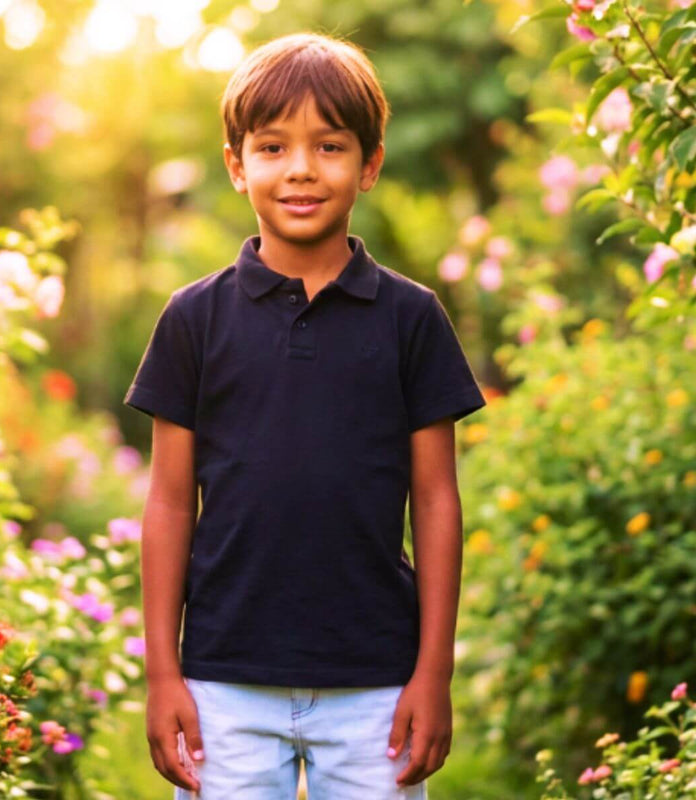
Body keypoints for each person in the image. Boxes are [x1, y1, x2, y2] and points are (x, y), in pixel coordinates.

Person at [124, 31, 487, 800]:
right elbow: (166, 500)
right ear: (235, 164)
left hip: (376, 685)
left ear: (371, 164)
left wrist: (433, 672)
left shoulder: (411, 319)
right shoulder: (193, 320)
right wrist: (163, 673)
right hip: (223, 678)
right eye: (272, 146)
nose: (299, 169)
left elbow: (435, 499)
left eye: (329, 146)